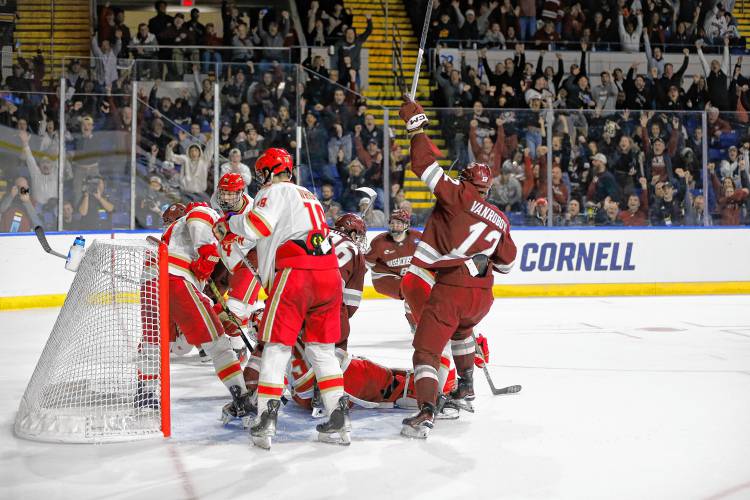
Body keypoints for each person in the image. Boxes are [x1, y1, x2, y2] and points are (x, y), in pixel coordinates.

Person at [214, 147, 350, 449]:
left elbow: (256, 226)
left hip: (296, 272)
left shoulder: (273, 191)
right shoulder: (308, 195)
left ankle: (267, 418)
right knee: (321, 350)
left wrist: (229, 225)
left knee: (276, 347)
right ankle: (338, 415)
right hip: (328, 274)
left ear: (266, 172)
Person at [398, 99, 517, 439]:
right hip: (483, 295)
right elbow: (507, 264)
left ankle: (425, 411)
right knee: (463, 333)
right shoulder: (500, 217)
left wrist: (416, 126)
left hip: (453, 288)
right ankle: (465, 389)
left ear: (465, 181)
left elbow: (423, 165)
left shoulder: (456, 195)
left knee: (426, 349)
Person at [161, 201, 254, 426]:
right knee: (219, 345)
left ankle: (144, 393)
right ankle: (242, 399)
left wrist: (220, 312)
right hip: (177, 281)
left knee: (157, 344)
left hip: (154, 281)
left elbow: (207, 295)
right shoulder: (200, 212)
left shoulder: (173, 234)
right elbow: (208, 249)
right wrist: (207, 258)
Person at [365, 209, 423, 331]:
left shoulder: (417, 238)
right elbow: (364, 265)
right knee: (411, 292)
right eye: (392, 223)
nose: (395, 226)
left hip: (409, 277)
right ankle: (416, 326)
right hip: (384, 278)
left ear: (406, 225)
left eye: (399, 223)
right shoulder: (379, 242)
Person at [329, 213, 367, 351]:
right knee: (339, 339)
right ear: (353, 232)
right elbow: (351, 303)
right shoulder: (353, 249)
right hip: (325, 304)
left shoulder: (318, 232)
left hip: (291, 291)